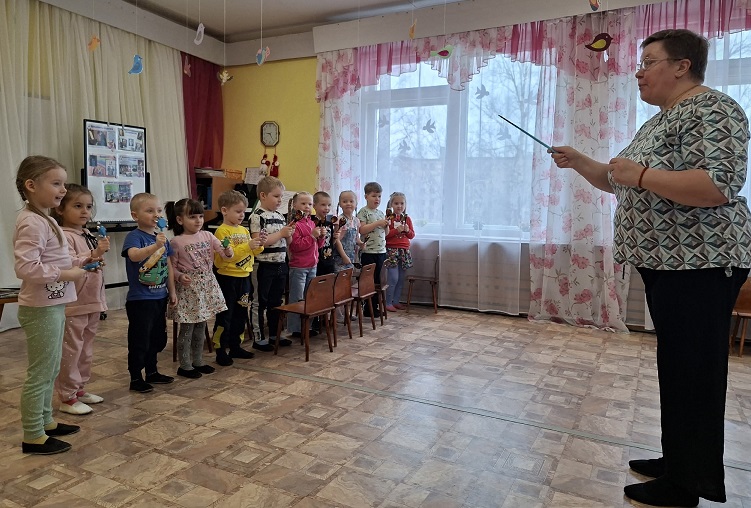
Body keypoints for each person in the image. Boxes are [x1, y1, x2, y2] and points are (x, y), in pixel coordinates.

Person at [550, 29, 751, 508]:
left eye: (649, 62)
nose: (638, 72)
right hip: (668, 263)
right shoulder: (660, 121)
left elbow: (717, 185)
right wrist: (581, 162)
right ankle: (679, 459)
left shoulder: (713, 109)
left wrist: (638, 174)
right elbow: (620, 181)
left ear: (682, 66)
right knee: (678, 368)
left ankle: (688, 484)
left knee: (694, 373)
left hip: (700, 262)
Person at [13, 156, 87, 454]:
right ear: (31, 186)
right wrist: (68, 274)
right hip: (40, 309)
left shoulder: (46, 219)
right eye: (56, 183)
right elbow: (26, 268)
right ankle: (33, 435)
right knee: (41, 372)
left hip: (52, 305)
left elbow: (58, 259)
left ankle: (46, 422)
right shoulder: (31, 222)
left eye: (63, 183)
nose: (63, 190)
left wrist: (84, 261)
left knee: (52, 367)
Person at [51, 184, 110, 415]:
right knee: (72, 350)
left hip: (92, 300)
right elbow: (68, 262)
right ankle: (67, 396)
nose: (85, 211)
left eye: (88, 206)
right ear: (60, 209)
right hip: (75, 302)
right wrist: (93, 255)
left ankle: (79, 388)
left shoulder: (87, 234)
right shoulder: (62, 235)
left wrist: (97, 259)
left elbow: (90, 262)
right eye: (77, 206)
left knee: (86, 349)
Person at [166, 198, 234, 376]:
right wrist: (180, 276)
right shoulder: (176, 242)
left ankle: (198, 361)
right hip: (189, 289)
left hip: (206, 286)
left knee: (201, 326)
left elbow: (225, 254)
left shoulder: (208, 236)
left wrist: (228, 251)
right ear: (180, 220)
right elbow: (171, 267)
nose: (198, 221)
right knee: (188, 328)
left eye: (200, 216)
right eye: (192, 217)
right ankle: (184, 365)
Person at [122, 192, 177, 393]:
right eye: (150, 210)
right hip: (140, 300)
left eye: (159, 210)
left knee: (157, 338)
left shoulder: (163, 239)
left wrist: (172, 291)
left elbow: (168, 266)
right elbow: (134, 256)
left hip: (159, 296)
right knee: (140, 339)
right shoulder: (134, 237)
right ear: (135, 215)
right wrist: (155, 246)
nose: (156, 214)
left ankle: (152, 371)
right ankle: (136, 377)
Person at [211, 191, 264, 366]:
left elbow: (252, 252)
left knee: (241, 314)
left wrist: (259, 244)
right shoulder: (222, 231)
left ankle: (236, 346)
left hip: (244, 277)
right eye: (238, 211)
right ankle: (220, 349)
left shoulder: (243, 230)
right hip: (228, 278)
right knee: (225, 315)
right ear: (224, 210)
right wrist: (248, 246)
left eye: (244, 212)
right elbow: (229, 256)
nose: (242, 215)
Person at [249, 176, 295, 351]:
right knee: (260, 301)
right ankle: (259, 338)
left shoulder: (279, 216)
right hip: (263, 265)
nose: (280, 200)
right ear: (263, 195)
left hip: (280, 263)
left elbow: (287, 242)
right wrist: (282, 233)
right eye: (276, 196)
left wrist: (289, 234)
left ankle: (275, 334)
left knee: (276, 301)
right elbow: (259, 241)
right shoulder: (257, 216)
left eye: (281, 196)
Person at [286, 192, 325, 338]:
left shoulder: (312, 222)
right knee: (297, 299)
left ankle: (307, 326)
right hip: (299, 267)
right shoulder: (295, 225)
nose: (307, 207)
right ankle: (296, 329)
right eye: (303, 204)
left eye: (309, 204)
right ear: (295, 205)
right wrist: (312, 236)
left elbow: (318, 246)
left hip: (312, 266)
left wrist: (321, 237)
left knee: (310, 297)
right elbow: (295, 246)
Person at [357, 182, 389, 317]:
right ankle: (367, 307)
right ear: (366, 197)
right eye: (374, 196)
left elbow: (386, 233)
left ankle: (375, 306)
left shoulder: (381, 213)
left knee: (378, 281)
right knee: (369, 281)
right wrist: (377, 223)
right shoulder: (363, 212)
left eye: (379, 196)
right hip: (368, 252)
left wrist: (386, 225)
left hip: (381, 251)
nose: (377, 199)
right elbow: (362, 230)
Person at [311, 191, 339, 333]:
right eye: (323, 205)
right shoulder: (312, 222)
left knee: (327, 290)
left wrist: (335, 238)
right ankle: (315, 319)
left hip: (329, 261)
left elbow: (330, 244)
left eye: (329, 205)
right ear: (314, 205)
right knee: (316, 291)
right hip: (317, 262)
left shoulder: (329, 223)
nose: (326, 208)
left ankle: (324, 317)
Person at [383, 192, 414, 312]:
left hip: (404, 251)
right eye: (396, 203)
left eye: (402, 203)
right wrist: (396, 231)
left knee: (401, 278)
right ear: (391, 205)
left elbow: (412, 235)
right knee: (393, 278)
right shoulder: (388, 219)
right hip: (392, 250)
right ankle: (388, 302)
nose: (399, 206)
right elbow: (385, 235)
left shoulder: (407, 219)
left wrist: (407, 230)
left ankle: (396, 301)